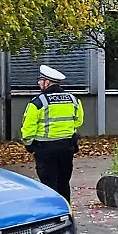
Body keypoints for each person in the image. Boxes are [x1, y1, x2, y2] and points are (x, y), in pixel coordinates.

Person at [21, 65, 84, 202]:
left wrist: (29, 144)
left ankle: (53, 213)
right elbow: (78, 121)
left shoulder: (37, 102)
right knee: (63, 183)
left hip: (45, 150)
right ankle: (66, 210)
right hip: (67, 147)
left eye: (40, 80)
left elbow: (28, 128)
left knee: (49, 184)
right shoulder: (73, 100)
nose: (38, 83)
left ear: (47, 82)